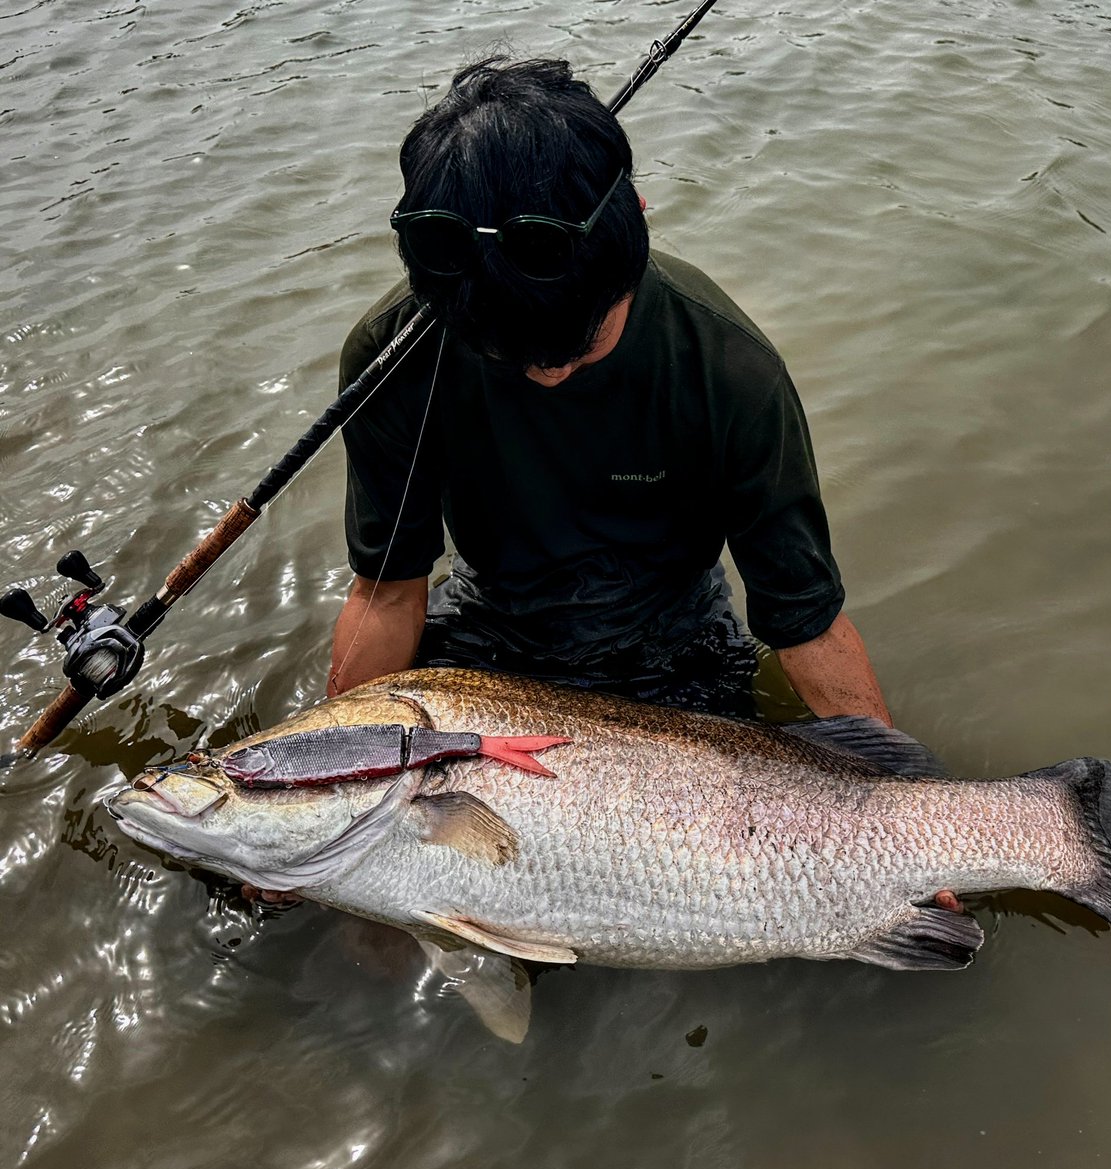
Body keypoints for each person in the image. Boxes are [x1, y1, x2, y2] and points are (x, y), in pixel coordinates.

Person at [328, 56, 891, 727]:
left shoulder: (733, 370)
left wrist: (894, 776)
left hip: (674, 637)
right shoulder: (388, 357)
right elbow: (388, 593)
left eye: (581, 347)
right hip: (490, 622)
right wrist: (331, 749)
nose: (548, 374)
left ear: (639, 224)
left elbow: (806, 624)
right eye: (509, 356)